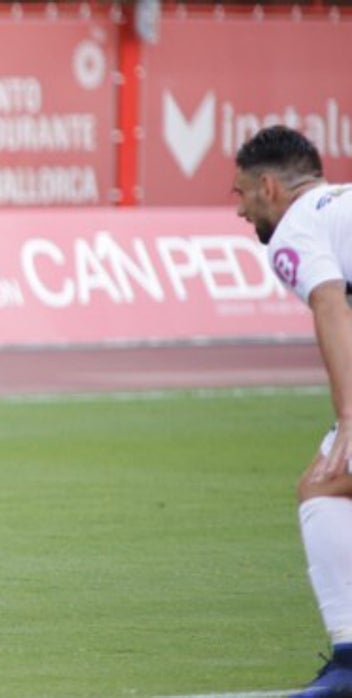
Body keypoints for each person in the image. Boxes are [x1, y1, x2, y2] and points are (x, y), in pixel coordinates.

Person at [232, 125, 352, 697]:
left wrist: (349, 415)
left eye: (241, 195)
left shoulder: (298, 229)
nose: (240, 211)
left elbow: (330, 303)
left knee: (325, 487)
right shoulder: (342, 206)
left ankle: (350, 664)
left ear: (269, 187)